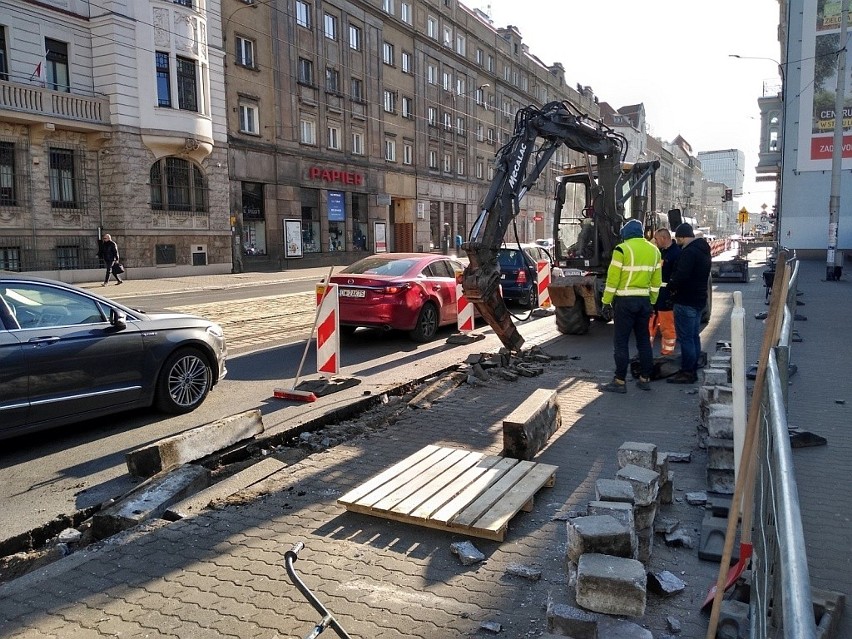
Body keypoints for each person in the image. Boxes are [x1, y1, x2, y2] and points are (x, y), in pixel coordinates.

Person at [599, 218, 662, 394]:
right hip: (644, 302)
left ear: (625, 234)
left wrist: (606, 301)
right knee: (643, 341)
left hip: (624, 302)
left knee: (621, 342)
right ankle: (645, 379)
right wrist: (652, 301)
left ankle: (619, 381)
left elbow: (613, 280)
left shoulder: (622, 249)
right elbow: (657, 282)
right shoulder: (654, 251)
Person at [666, 223, 712, 384]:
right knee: (693, 336)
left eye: (678, 238)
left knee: (686, 339)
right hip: (699, 300)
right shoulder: (703, 250)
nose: (677, 241)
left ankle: (687, 372)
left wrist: (671, 286)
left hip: (686, 300)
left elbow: (681, 276)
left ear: (682, 237)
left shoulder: (689, 253)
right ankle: (694, 365)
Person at [649, 228, 681, 356]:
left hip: (666, 296)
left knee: (667, 327)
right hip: (656, 295)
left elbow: (676, 276)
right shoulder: (661, 252)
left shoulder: (675, 254)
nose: (655, 242)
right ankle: (646, 353)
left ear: (664, 238)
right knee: (650, 325)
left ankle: (667, 354)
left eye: (656, 239)